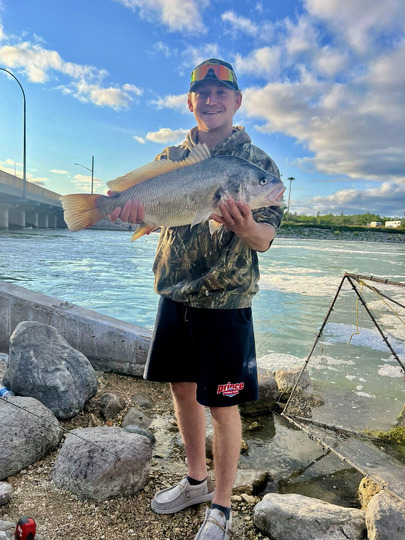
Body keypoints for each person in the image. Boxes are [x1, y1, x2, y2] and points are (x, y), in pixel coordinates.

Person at [109, 58, 284, 540]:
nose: (211, 100)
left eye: (220, 93)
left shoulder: (258, 165)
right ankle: (195, 482)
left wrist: (245, 223)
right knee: (182, 390)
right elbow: (153, 212)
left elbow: (266, 236)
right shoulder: (172, 156)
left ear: (236, 101)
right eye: (202, 93)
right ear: (191, 101)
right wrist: (128, 212)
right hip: (174, 291)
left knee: (223, 405)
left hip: (226, 301)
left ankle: (223, 509)